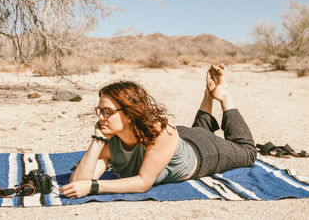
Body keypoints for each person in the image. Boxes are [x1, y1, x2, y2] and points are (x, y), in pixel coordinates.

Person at [59, 64, 257, 198]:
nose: (100, 117)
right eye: (100, 111)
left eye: (108, 112)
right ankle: (208, 93)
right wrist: (97, 139)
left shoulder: (162, 131)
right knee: (197, 129)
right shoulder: (110, 139)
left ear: (129, 113)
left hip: (203, 152)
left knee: (248, 152)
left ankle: (223, 95)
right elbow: (78, 184)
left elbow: (143, 182)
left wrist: (95, 186)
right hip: (179, 140)